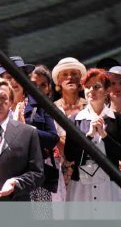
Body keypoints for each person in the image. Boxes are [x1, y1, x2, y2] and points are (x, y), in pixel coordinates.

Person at [62, 68, 121, 207]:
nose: (91, 90)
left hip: (110, 188)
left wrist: (105, 136)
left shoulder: (117, 119)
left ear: (106, 91)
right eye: (87, 87)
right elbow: (70, 155)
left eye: (96, 86)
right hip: (81, 186)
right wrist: (89, 136)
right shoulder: (76, 119)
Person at [0, 56, 59, 203]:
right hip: (4, 177)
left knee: (40, 223)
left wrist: (26, 129)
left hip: (34, 179)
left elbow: (53, 139)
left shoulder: (39, 105)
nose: (13, 81)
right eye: (8, 77)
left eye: (18, 76)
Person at [51, 57, 87, 203]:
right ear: (58, 81)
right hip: (59, 172)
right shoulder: (51, 108)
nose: (70, 77)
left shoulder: (90, 106)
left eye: (74, 73)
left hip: (88, 170)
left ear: (81, 79)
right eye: (65, 74)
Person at [0, 79, 44, 200]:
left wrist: (16, 183)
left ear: (10, 102)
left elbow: (38, 174)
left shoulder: (28, 133)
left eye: (3, 98)